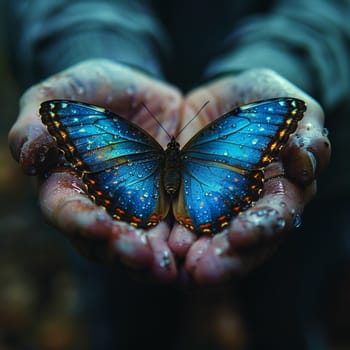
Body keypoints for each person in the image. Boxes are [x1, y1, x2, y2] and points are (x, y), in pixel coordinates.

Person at [5, 0, 349, 348]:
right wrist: (89, 43)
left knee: (285, 308)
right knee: (133, 318)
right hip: (208, 178)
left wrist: (289, 63)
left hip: (320, 197)